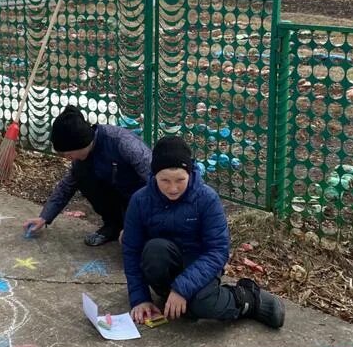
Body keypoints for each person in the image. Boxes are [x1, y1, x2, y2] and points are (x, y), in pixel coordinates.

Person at [120, 135, 285, 328]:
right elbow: (131, 250)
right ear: (153, 175)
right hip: (166, 260)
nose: (173, 188)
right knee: (154, 249)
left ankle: (246, 299)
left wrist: (182, 289)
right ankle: (171, 297)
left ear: (190, 173)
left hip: (201, 264)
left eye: (180, 180)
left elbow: (218, 251)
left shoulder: (207, 198)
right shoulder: (140, 200)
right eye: (165, 180)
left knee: (204, 305)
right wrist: (140, 298)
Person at [24, 105, 151, 246]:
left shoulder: (124, 143)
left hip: (141, 199)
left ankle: (135, 228)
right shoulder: (82, 159)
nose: (67, 157)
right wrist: (44, 218)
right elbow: (66, 187)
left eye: (68, 153)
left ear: (81, 144)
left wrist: (136, 224)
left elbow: (156, 181)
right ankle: (113, 226)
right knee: (81, 175)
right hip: (119, 195)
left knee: (136, 245)